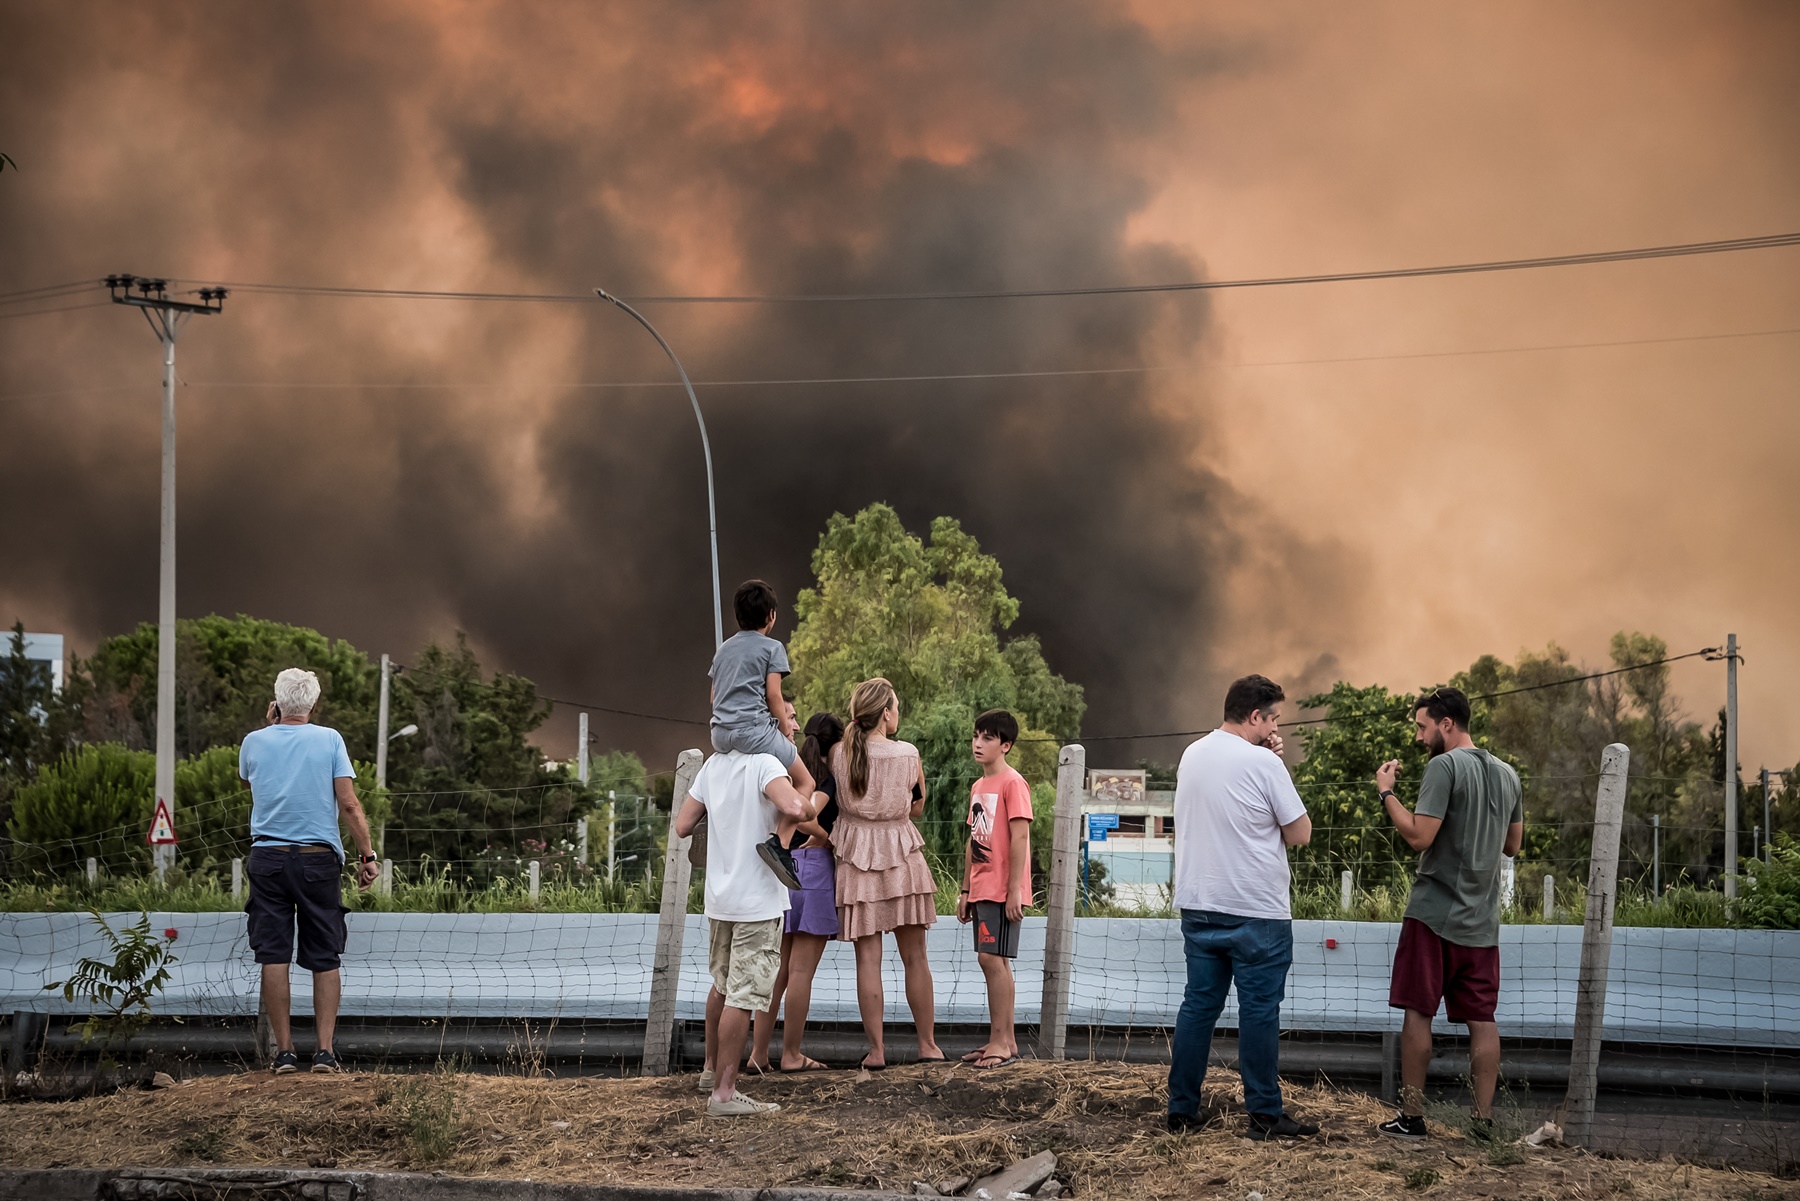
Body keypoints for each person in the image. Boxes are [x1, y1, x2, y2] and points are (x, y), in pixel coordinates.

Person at [1167, 674, 1318, 1140]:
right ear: (1255, 716)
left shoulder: (1192, 753)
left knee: (1198, 1007)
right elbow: (1300, 833)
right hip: (1256, 908)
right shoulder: (1266, 765)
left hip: (1199, 903)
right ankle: (1265, 1116)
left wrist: (1263, 759)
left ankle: (1181, 1110)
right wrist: (1275, 766)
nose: (1275, 727)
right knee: (1258, 1012)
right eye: (1273, 718)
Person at [1374, 686, 1524, 1142]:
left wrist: (1387, 794)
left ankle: (1412, 1118)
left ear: (1446, 724)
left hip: (1434, 914)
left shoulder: (1443, 767)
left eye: (1422, 727)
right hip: (1481, 921)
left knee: (1418, 1012)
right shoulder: (1508, 774)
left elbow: (1420, 837)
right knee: (1483, 1019)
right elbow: (1512, 846)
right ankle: (1482, 1123)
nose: (1420, 737)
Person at [237, 667, 380, 1074]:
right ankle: (324, 1052)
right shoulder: (330, 739)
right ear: (314, 704)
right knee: (324, 956)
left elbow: (252, 783)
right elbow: (349, 804)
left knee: (274, 955)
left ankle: (283, 1053)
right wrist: (367, 856)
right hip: (318, 859)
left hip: (267, 859)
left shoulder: (253, 742)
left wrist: (270, 729)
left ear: (277, 703)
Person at [674, 746, 810, 1116]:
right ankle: (725, 1093)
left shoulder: (713, 766)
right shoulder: (765, 763)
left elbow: (683, 825)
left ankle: (709, 1070)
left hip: (721, 898)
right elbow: (797, 808)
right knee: (743, 994)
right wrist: (804, 803)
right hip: (757, 900)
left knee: (721, 984)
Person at [830, 677, 943, 1070]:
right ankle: (927, 1045)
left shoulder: (838, 754)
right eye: (895, 706)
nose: (898, 713)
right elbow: (917, 808)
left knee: (868, 961)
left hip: (856, 859)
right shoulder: (908, 754)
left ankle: (876, 1052)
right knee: (915, 957)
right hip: (901, 855)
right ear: (885, 714)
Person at [749, 711, 844, 1074]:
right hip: (815, 870)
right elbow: (807, 818)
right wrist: (828, 838)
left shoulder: (789, 772)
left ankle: (759, 1054)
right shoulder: (827, 780)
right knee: (802, 971)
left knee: (778, 972)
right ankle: (791, 1054)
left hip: (784, 870)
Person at [708, 579, 814, 890]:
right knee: (805, 780)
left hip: (720, 735)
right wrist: (784, 731)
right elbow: (774, 696)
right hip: (753, 732)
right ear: (771, 615)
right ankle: (778, 842)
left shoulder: (723, 650)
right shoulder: (772, 647)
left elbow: (714, 699)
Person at [955, 708, 1032, 1070]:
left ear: (1006, 745)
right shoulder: (978, 786)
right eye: (976, 736)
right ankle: (1003, 1040)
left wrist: (1014, 889)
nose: (978, 743)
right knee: (992, 960)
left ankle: (1002, 1041)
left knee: (993, 959)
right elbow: (974, 839)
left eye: (987, 738)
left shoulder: (1012, 783)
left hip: (1003, 888)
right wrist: (966, 888)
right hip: (982, 886)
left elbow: (1020, 836)